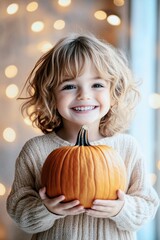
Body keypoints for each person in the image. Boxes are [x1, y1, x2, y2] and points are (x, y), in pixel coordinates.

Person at [7, 33, 159, 240]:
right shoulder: (36, 150)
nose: (84, 95)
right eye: (69, 86)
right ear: (50, 97)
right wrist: (46, 209)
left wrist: (121, 209)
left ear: (114, 94)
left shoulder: (127, 147)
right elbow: (19, 212)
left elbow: (147, 205)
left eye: (97, 85)